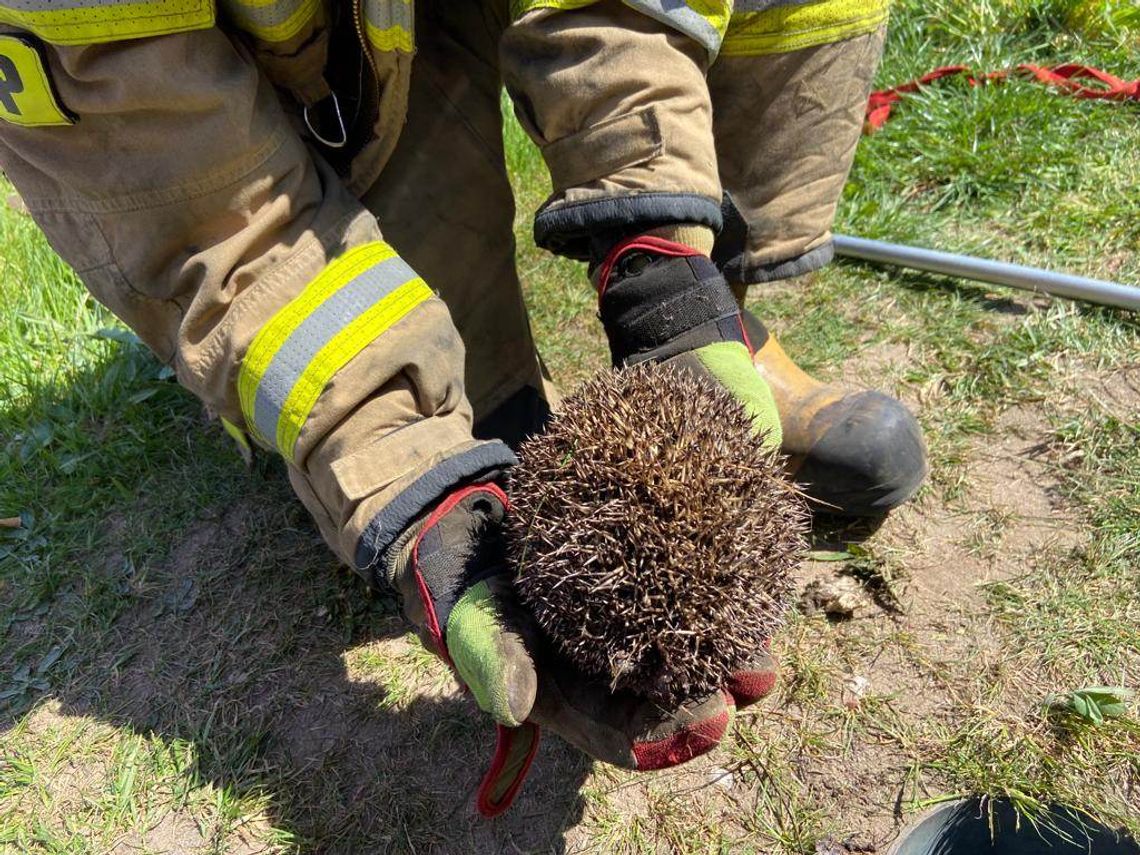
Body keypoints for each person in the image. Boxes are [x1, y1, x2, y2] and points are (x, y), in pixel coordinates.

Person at [0, 0, 925, 815]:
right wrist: (397, 468)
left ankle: (715, 323)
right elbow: (200, 217)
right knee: (443, 384)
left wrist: (657, 253)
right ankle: (471, 409)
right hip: (298, 86)